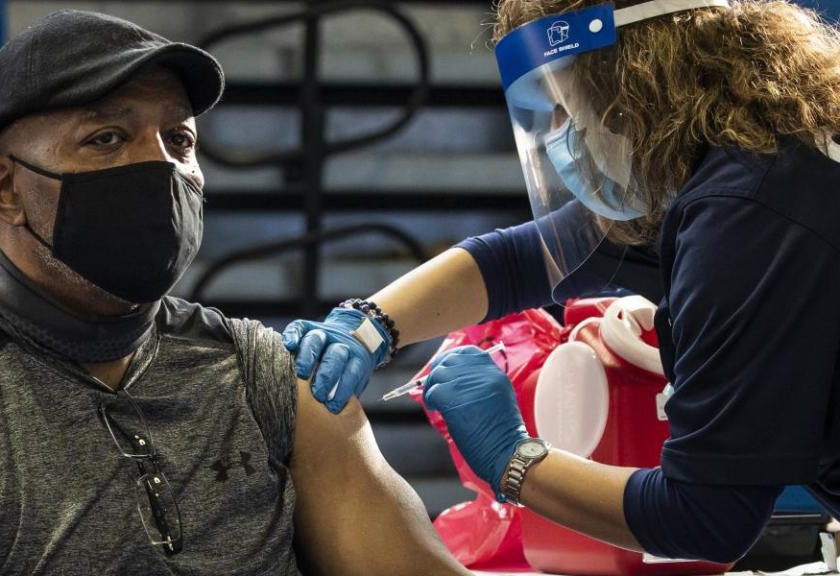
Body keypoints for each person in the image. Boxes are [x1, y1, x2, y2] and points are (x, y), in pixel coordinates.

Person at [0, 10, 474, 576]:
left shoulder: (261, 371)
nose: (161, 167)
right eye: (107, 138)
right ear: (5, 188)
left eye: (180, 140)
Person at [284, 0, 840, 564]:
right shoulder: (769, 148)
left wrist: (513, 460)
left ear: (630, 80)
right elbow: (521, 259)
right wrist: (370, 323)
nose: (559, 136)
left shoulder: (744, 214)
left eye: (562, 107)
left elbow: (703, 516)